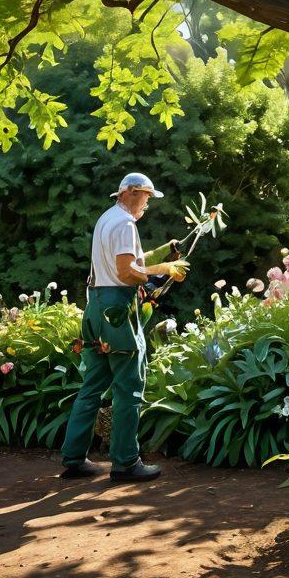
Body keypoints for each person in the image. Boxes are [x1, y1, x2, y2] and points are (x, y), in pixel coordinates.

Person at [59, 172, 189, 483]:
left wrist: (163, 253)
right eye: (146, 196)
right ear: (130, 193)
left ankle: (74, 458)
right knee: (129, 387)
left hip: (96, 307)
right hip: (118, 311)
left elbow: (131, 260)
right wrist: (162, 270)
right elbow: (127, 272)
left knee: (92, 386)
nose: (148, 203)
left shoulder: (108, 218)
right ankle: (126, 463)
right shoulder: (126, 224)